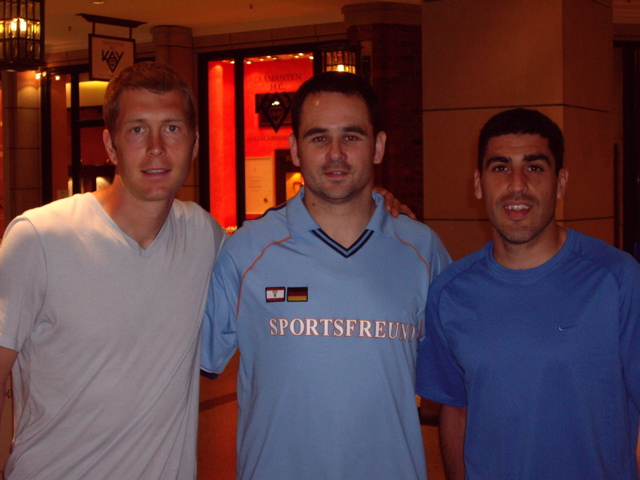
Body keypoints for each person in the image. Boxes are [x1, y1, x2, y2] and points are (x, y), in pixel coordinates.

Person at [201, 71, 451, 480]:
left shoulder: (422, 251)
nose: (336, 153)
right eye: (318, 138)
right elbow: (180, 368)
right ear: (295, 148)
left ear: (379, 146)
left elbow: (458, 385)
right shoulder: (246, 252)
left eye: (352, 137)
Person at [0, 62, 228, 479]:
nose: (157, 147)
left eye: (173, 128)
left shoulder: (205, 237)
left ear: (195, 144)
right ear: (110, 144)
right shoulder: (39, 239)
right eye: (137, 129)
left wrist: (373, 205)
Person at [416, 108, 640, 480]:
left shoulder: (618, 280)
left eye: (534, 167)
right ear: (478, 183)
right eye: (500, 167)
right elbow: (454, 410)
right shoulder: (450, 291)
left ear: (561, 182)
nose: (516, 185)